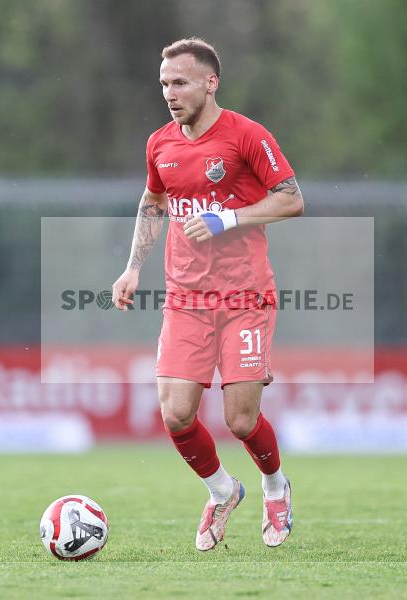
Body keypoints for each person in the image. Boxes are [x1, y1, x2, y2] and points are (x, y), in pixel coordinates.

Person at [111, 38, 303, 548]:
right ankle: (222, 491)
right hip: (186, 300)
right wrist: (132, 268)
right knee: (175, 413)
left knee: (241, 420)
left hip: (245, 298)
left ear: (209, 82)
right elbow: (152, 203)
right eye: (164, 84)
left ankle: (275, 485)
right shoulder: (160, 144)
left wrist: (229, 218)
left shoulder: (245, 136)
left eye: (180, 83)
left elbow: (291, 200)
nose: (170, 93)